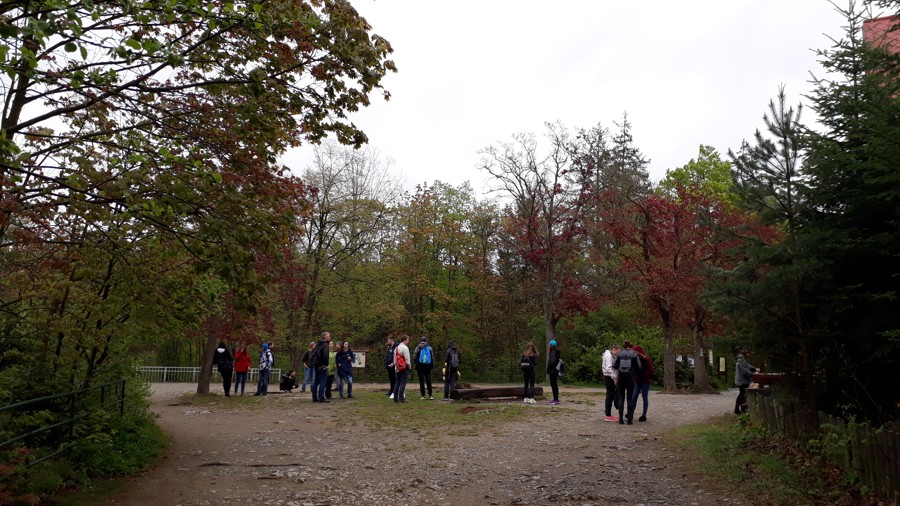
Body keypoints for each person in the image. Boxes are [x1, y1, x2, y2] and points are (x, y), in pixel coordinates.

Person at [613, 340, 643, 424]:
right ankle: (629, 419)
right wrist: (633, 370)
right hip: (630, 377)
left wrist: (620, 369)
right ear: (631, 346)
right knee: (630, 398)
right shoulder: (634, 354)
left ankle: (620, 419)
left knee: (621, 397)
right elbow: (639, 367)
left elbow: (614, 365)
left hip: (621, 377)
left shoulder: (619, 354)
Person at [631, 344, 654, 422]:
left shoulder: (647, 359)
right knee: (634, 396)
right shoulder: (635, 359)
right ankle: (631, 413)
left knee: (644, 396)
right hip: (638, 380)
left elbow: (651, 369)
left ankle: (644, 415)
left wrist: (645, 375)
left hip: (645, 381)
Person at [309, 332, 331, 403]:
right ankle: (321, 397)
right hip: (322, 365)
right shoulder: (325, 345)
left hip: (316, 365)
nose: (330, 337)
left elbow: (314, 354)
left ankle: (314, 397)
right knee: (322, 382)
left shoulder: (318, 344)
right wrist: (325, 364)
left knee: (316, 382)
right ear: (326, 337)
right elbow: (326, 355)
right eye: (329, 336)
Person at [602, 344, 620, 422]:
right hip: (608, 377)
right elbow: (609, 368)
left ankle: (608, 414)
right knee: (610, 396)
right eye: (617, 352)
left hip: (609, 377)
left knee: (611, 395)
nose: (617, 354)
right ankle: (608, 415)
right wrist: (615, 377)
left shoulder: (611, 356)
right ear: (614, 349)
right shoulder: (609, 357)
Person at [394, 335, 411, 403]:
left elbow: (394, 359)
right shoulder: (405, 348)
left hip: (398, 367)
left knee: (397, 383)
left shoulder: (396, 348)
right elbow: (407, 359)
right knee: (403, 383)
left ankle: (395, 398)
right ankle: (401, 398)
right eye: (408, 340)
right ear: (404, 340)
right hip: (404, 367)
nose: (408, 341)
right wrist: (409, 366)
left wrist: (396, 367)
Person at [546, 340, 561, 405]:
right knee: (555, 384)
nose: (549, 345)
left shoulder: (553, 352)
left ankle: (555, 399)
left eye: (549, 344)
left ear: (551, 345)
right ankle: (556, 398)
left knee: (553, 384)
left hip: (552, 370)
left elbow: (552, 362)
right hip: (555, 370)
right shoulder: (556, 352)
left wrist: (548, 368)